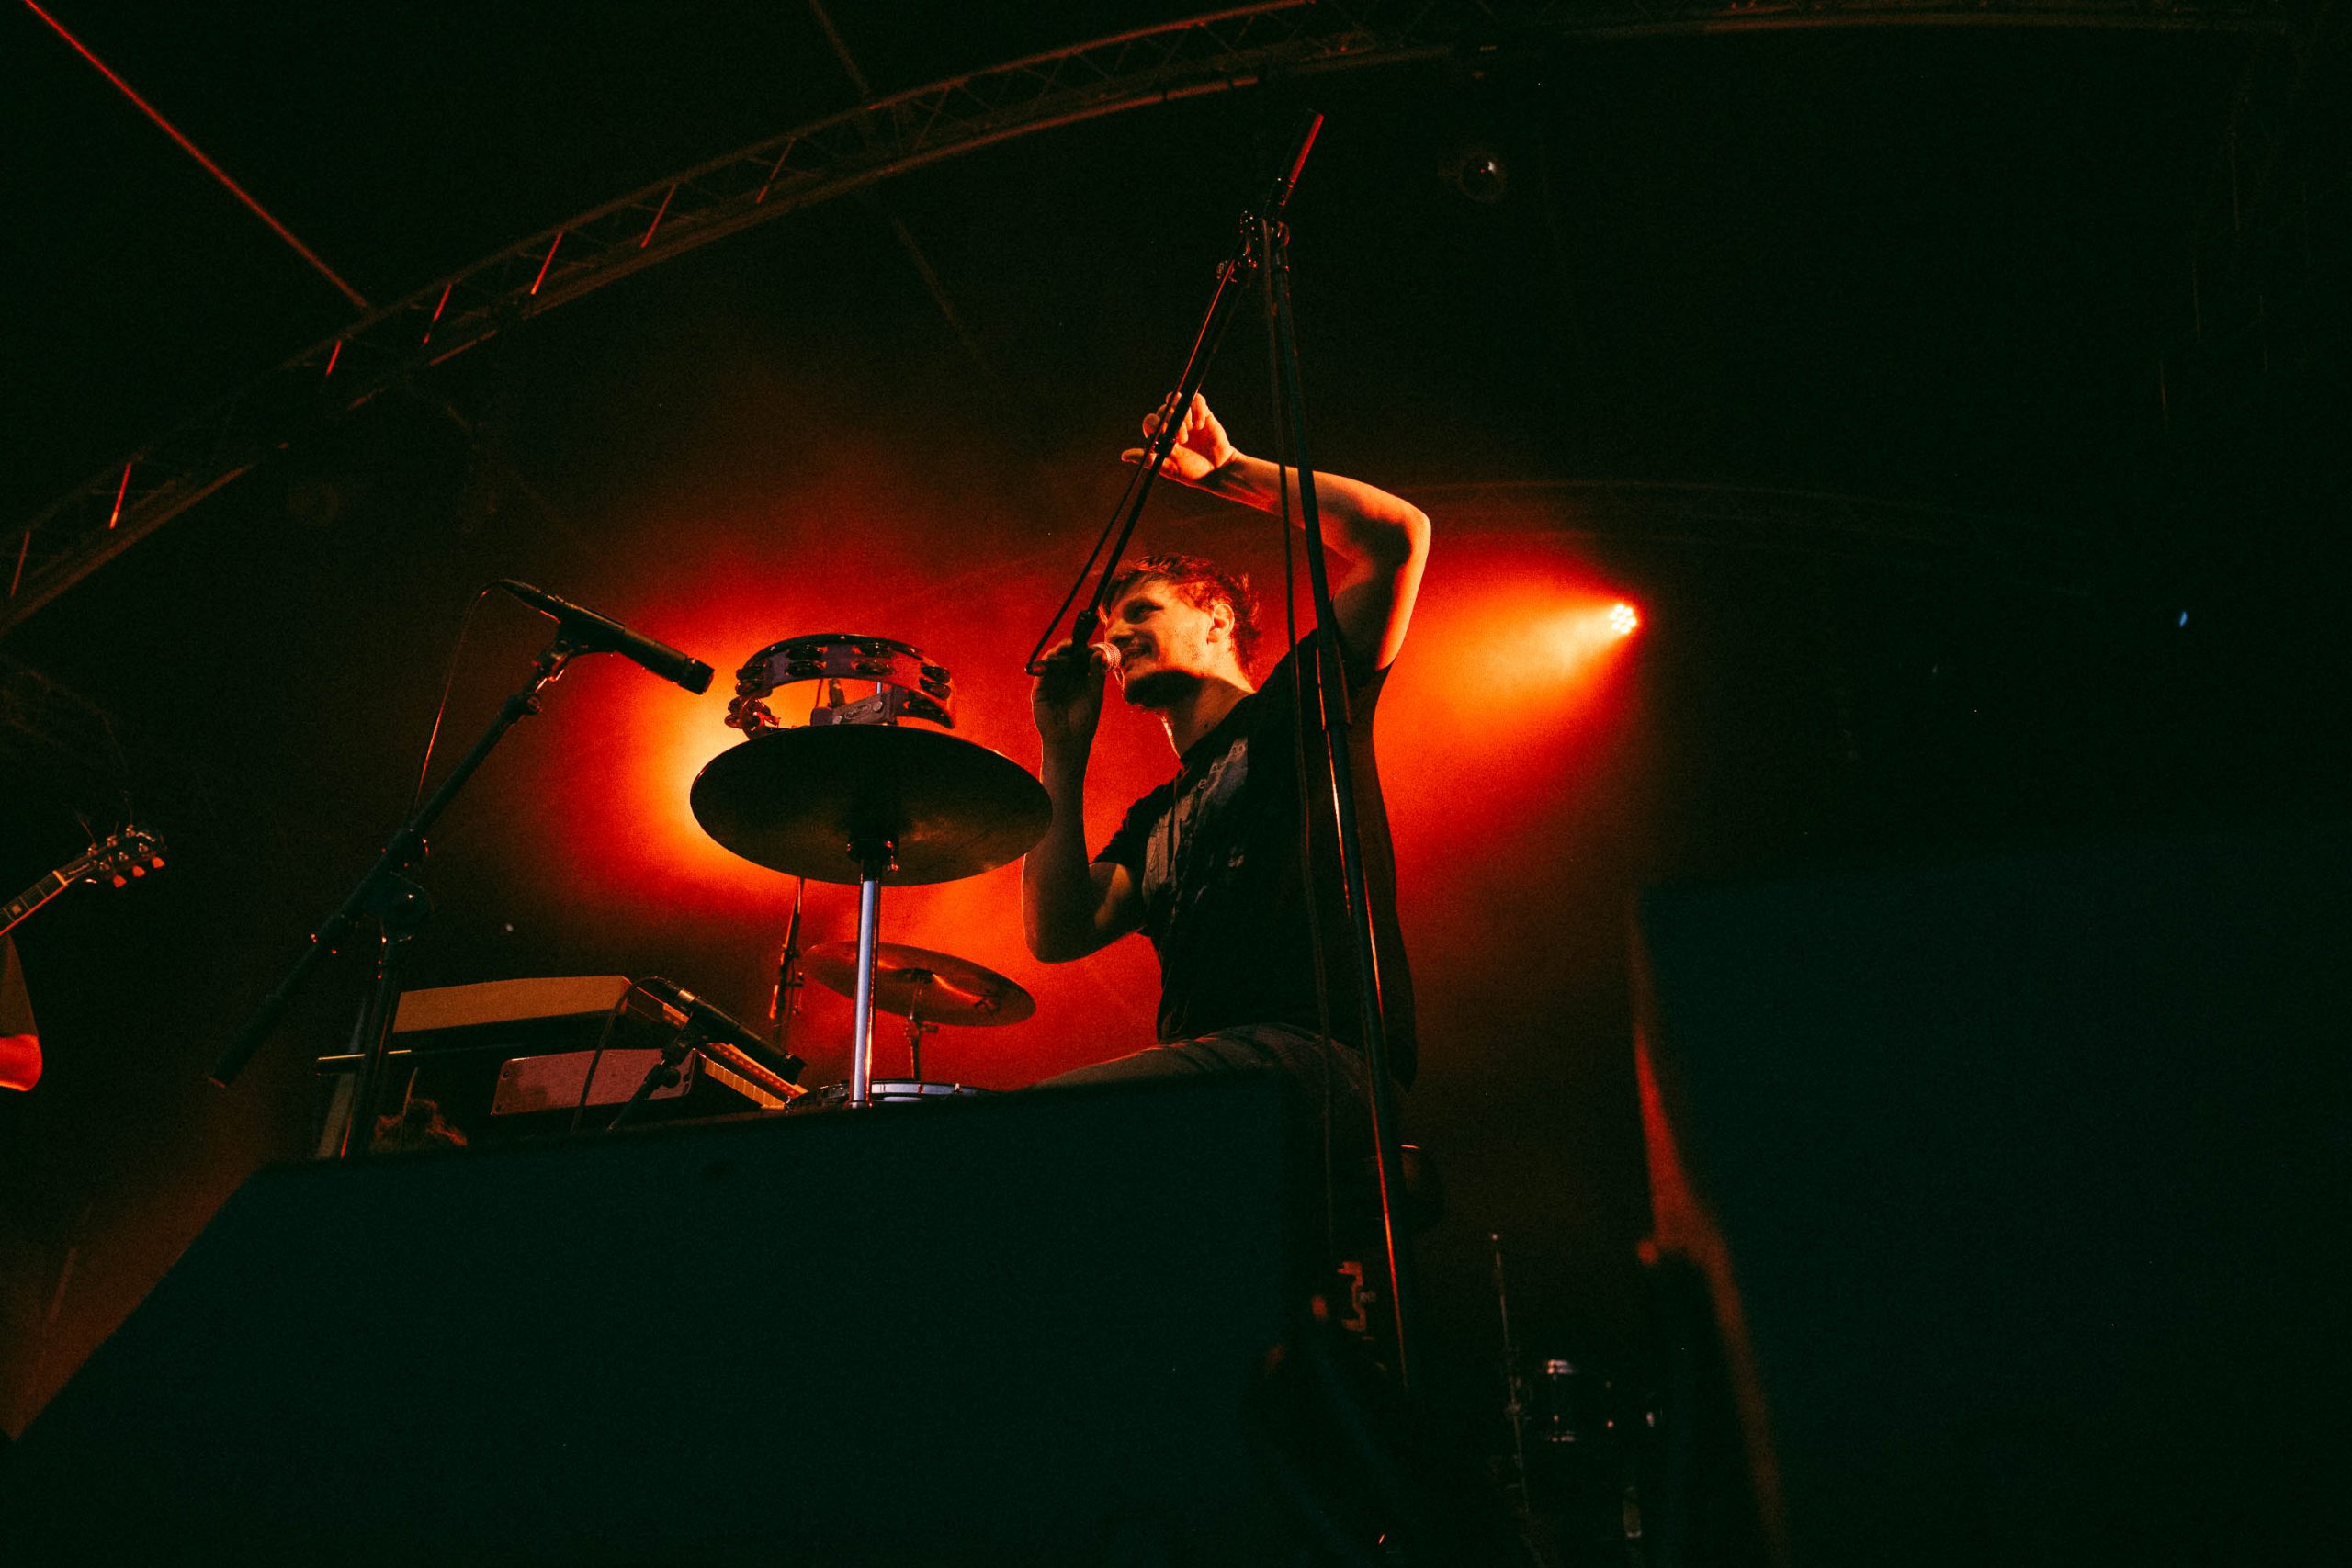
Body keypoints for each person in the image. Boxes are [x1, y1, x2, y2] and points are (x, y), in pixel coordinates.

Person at [1023, 392, 1430, 1146]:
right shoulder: (1154, 818)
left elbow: (1400, 538)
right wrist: (1061, 750)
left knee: (1033, 1130)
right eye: (1113, 623)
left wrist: (1231, 471)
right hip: (1216, 1084)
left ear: (1216, 616)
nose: (1115, 635)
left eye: (1141, 611)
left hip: (1317, 1061)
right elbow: (1056, 931)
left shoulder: (1297, 703)